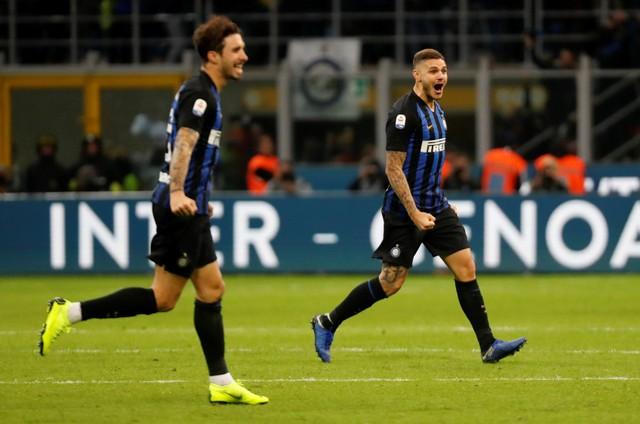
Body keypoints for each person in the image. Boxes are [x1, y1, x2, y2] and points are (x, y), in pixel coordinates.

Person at [38, 15, 268, 405]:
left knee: (201, 291)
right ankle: (70, 313)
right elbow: (184, 144)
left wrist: (196, 195)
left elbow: (193, 153)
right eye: (236, 49)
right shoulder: (200, 95)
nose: (244, 55)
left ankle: (221, 381)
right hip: (180, 209)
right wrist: (178, 192)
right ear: (213, 55)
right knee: (173, 296)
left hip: (189, 207)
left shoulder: (204, 92)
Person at [311, 48, 526, 364]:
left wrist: (442, 203)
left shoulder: (438, 111)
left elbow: (431, 166)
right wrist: (414, 213)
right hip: (404, 212)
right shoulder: (403, 115)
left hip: (436, 206)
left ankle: (488, 345)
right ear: (417, 75)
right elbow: (393, 169)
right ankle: (327, 322)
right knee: (391, 282)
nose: (441, 76)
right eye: (433, 71)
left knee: (466, 266)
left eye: (444, 70)